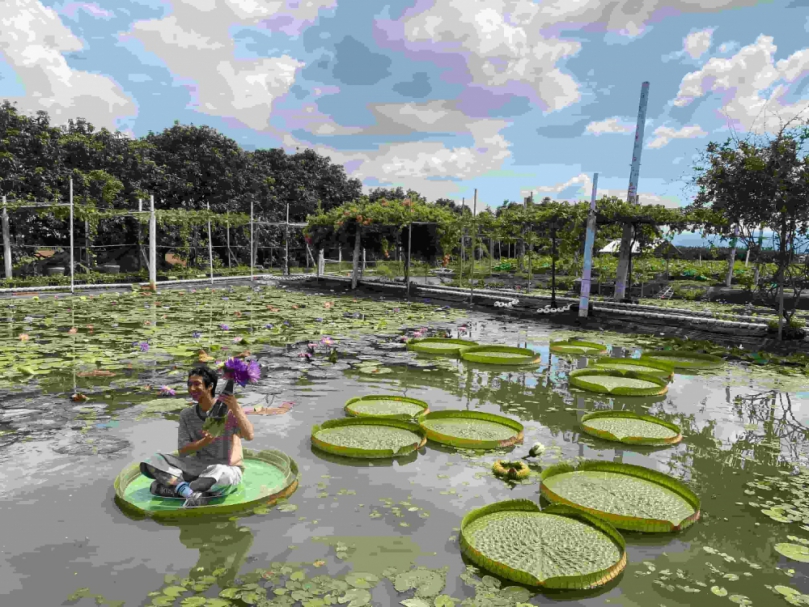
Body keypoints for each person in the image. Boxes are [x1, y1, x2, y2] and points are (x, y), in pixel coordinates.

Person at [139, 365, 255, 507]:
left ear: (210, 386)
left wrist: (236, 407)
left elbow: (249, 435)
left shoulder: (230, 412)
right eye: (189, 384)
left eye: (197, 384)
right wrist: (205, 441)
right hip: (196, 466)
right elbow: (183, 451)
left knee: (221, 472)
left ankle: (180, 489)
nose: (192, 389)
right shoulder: (186, 415)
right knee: (153, 461)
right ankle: (192, 493)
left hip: (224, 468)